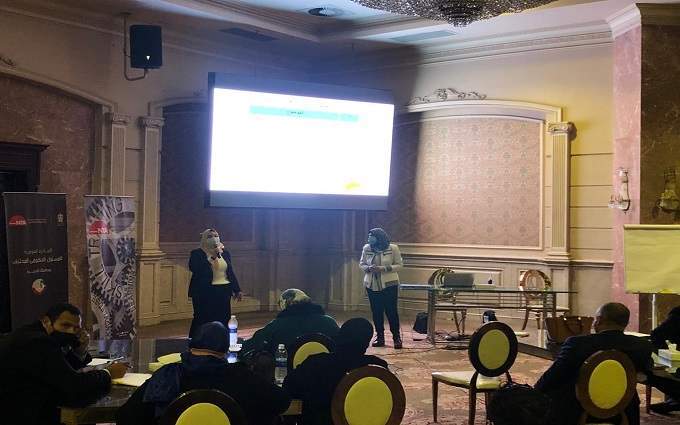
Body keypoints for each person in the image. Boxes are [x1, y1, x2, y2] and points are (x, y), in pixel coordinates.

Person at [117, 321, 290, 425]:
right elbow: (281, 401)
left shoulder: (167, 375)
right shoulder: (242, 376)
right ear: (225, 351)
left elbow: (126, 416)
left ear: (191, 346)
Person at [0, 303, 128, 425]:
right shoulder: (39, 341)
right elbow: (74, 385)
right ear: (46, 321)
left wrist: (80, 351)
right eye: (65, 325)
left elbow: (56, 370)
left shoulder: (29, 334)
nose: (71, 331)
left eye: (76, 328)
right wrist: (108, 373)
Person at [535, 302, 654, 425]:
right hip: (623, 409)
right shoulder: (642, 346)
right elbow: (646, 371)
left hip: (576, 411)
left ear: (599, 320)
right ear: (626, 323)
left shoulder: (577, 344)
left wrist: (535, 391)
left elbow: (552, 377)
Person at [283, 317, 389, 425]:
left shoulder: (315, 363)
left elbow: (288, 388)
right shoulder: (378, 368)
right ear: (366, 344)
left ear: (340, 337)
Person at [240, 288, 339, 356]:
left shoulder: (276, 326)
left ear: (285, 305)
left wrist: (239, 343)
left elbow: (250, 347)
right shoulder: (330, 322)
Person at [188, 228, 242, 338]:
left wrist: (237, 289)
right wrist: (212, 257)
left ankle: (222, 340)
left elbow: (230, 272)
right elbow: (196, 269)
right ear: (204, 239)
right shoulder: (197, 253)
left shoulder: (225, 253)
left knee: (223, 317)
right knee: (202, 317)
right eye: (210, 236)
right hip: (204, 291)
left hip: (223, 289)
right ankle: (196, 340)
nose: (214, 238)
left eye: (216, 236)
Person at [359, 227, 404, 348]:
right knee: (376, 311)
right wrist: (368, 268)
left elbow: (399, 265)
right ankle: (380, 337)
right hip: (372, 285)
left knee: (391, 311)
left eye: (371, 236)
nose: (369, 238)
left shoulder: (393, 248)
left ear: (379, 237)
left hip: (389, 285)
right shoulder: (366, 248)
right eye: (369, 236)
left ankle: (396, 337)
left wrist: (383, 268)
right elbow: (362, 264)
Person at [647, 305, 680, 415]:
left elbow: (656, 335)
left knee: (650, 374)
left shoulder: (677, 315)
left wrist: (664, 359)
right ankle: (673, 402)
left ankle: (674, 401)